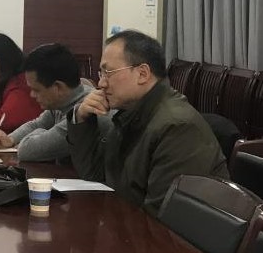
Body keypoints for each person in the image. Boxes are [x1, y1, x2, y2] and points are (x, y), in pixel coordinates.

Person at [68, 30, 228, 214]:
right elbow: (95, 176)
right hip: (127, 224)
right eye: (101, 73)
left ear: (142, 74)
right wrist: (82, 118)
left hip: (160, 231)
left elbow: (161, 217)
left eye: (108, 72)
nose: (101, 83)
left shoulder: (177, 127)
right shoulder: (130, 113)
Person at [0, 43, 92, 162]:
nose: (32, 95)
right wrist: (10, 139)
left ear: (58, 87)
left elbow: (26, 151)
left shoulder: (85, 112)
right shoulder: (62, 102)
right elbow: (37, 124)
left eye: (36, 90)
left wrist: (41, 133)